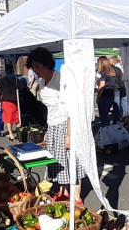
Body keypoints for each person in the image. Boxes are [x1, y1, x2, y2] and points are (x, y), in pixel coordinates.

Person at [27, 47, 85, 197]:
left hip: (66, 126)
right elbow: (50, 109)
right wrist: (48, 130)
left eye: (37, 66)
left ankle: (77, 197)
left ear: (46, 64)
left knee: (72, 163)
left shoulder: (61, 80)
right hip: (53, 127)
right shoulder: (41, 81)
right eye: (32, 67)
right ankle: (63, 192)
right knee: (58, 164)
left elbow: (72, 109)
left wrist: (69, 134)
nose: (35, 70)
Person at [0, 63, 20, 140]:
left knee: (17, 118)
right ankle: (11, 134)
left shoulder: (16, 79)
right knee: (9, 119)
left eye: (12, 71)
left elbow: (20, 87)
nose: (11, 73)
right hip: (7, 101)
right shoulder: (3, 80)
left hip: (16, 102)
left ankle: (19, 133)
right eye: (9, 71)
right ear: (6, 72)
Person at [96, 56, 121, 126]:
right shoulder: (112, 72)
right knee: (106, 114)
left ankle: (106, 131)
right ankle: (109, 130)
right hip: (111, 94)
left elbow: (102, 86)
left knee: (103, 117)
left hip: (104, 96)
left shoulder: (103, 73)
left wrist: (98, 97)